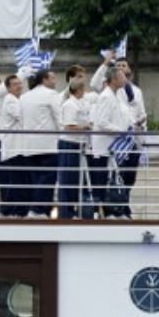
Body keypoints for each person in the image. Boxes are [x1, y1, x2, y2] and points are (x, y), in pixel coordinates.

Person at [89, 67, 138, 218]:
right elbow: (102, 122)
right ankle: (105, 213)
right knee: (103, 181)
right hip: (105, 147)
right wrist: (121, 132)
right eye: (122, 77)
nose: (125, 79)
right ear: (114, 80)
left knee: (115, 180)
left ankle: (116, 210)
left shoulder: (116, 96)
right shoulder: (105, 97)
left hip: (114, 147)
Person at [17, 69, 60, 215]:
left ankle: (39, 210)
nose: (55, 81)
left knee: (37, 179)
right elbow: (59, 118)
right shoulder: (51, 94)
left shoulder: (24, 97)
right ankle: (38, 210)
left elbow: (21, 120)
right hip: (48, 144)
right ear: (44, 79)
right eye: (53, 78)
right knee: (48, 178)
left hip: (29, 145)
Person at [56, 75, 94, 219]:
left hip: (81, 144)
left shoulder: (82, 103)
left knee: (79, 179)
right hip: (70, 144)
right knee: (68, 179)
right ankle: (66, 213)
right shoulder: (69, 104)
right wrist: (85, 126)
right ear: (79, 89)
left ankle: (79, 210)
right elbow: (69, 126)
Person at [0, 73, 27, 217]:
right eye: (15, 84)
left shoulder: (17, 99)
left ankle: (13, 210)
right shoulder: (10, 100)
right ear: (8, 88)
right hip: (14, 147)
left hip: (18, 147)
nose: (19, 86)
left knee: (17, 180)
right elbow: (23, 118)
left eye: (20, 83)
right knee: (15, 180)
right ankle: (10, 211)